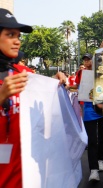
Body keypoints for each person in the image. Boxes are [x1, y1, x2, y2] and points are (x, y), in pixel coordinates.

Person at [0, 8, 66, 187]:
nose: (17, 41)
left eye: (19, 36)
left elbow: (40, 88)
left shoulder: (22, 72)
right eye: (10, 34)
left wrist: (54, 82)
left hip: (28, 176)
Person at [67, 53, 103, 182]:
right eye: (84, 59)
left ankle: (100, 159)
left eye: (88, 59)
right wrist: (68, 87)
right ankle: (93, 170)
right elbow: (79, 88)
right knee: (92, 139)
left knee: (102, 136)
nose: (86, 61)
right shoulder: (80, 73)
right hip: (89, 108)